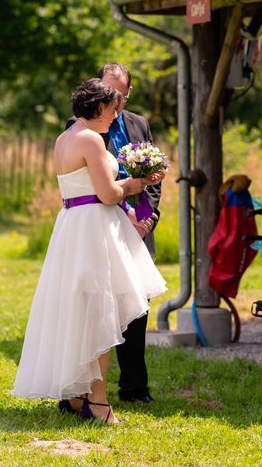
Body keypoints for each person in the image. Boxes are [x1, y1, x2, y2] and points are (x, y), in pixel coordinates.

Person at [13, 79, 167, 424]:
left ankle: (76, 396)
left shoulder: (64, 138)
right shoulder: (90, 140)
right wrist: (139, 183)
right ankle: (98, 401)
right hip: (93, 228)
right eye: (113, 109)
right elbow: (108, 194)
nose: (116, 116)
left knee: (82, 311)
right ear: (98, 108)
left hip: (73, 224)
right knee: (100, 313)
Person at [98, 62, 161, 404]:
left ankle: (135, 388)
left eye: (120, 94)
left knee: (138, 308)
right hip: (106, 223)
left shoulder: (140, 123)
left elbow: (154, 177)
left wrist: (146, 220)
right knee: (104, 306)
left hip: (140, 229)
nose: (115, 100)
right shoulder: (86, 127)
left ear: (128, 93)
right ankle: (92, 388)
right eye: (109, 92)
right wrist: (126, 216)